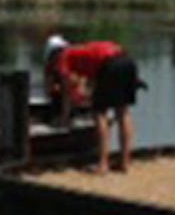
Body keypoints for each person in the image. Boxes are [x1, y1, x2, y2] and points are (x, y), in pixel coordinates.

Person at [58, 39, 143, 172]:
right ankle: (125, 162)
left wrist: (65, 117)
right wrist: (85, 94)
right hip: (127, 61)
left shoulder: (64, 58)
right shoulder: (82, 53)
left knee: (99, 112)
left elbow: (67, 91)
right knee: (123, 111)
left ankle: (103, 164)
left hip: (109, 64)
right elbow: (89, 82)